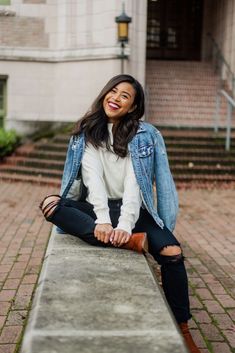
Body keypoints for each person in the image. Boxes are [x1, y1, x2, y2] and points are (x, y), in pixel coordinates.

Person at [40, 74, 200, 353]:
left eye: (125, 96)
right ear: (104, 95)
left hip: (134, 209)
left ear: (133, 107)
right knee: (51, 203)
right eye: (113, 92)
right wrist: (102, 220)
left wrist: (126, 223)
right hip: (97, 206)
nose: (116, 98)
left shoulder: (144, 135)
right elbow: (93, 180)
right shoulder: (86, 132)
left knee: (173, 253)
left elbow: (136, 183)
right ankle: (131, 242)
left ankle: (183, 328)